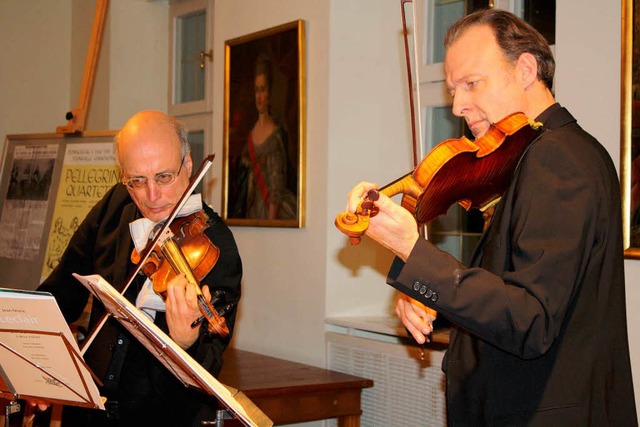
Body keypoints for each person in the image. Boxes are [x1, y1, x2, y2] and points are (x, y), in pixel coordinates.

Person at [346, 9, 637, 426]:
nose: (459, 105)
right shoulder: (537, 155)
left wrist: (413, 251)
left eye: (471, 83)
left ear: (525, 69)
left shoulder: (559, 159)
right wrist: (427, 297)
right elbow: (510, 290)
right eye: (452, 91)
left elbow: (530, 319)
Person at [37, 110, 242, 426]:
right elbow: (60, 292)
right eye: (137, 180)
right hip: (89, 411)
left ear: (188, 165)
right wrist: (42, 359)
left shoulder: (216, 247)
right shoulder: (116, 206)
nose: (152, 195)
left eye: (164, 176)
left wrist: (186, 341)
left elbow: (210, 364)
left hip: (160, 417)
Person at [237, 56, 296, 220]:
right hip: (253, 206)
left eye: (263, 90)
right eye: (256, 90)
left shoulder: (276, 136)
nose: (259, 96)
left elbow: (277, 184)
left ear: (270, 93)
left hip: (269, 209)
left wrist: (271, 218)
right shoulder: (251, 133)